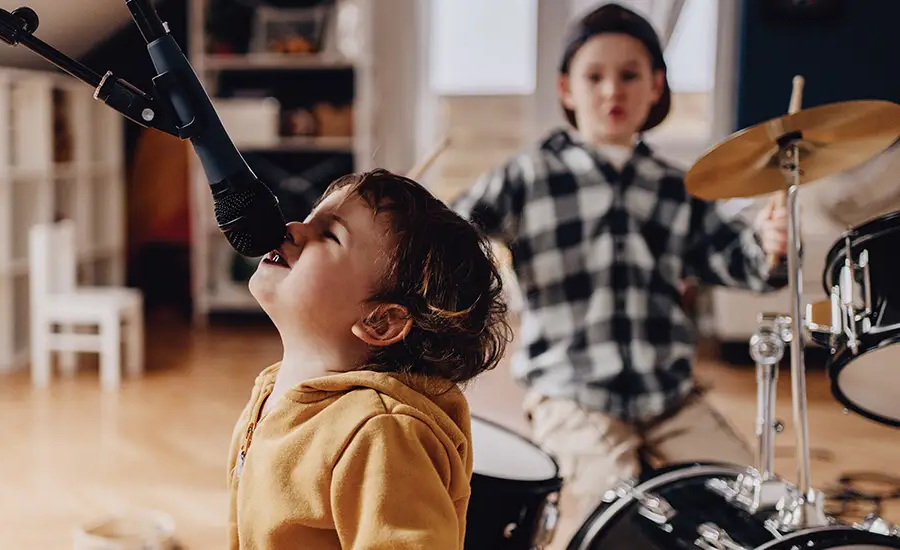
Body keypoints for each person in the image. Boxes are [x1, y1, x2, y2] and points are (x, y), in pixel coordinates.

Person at [449, 4, 790, 548]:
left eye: (630, 75)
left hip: (668, 392)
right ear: (566, 88)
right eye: (595, 76)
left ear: (656, 87)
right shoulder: (528, 175)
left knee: (753, 507)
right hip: (572, 391)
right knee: (607, 519)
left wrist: (770, 249)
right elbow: (455, 232)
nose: (613, 90)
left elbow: (741, 261)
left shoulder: (679, 186)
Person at [227, 168, 512, 549]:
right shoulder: (271, 393)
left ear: (382, 321)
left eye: (329, 235)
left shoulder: (382, 434)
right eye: (311, 217)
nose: (293, 228)